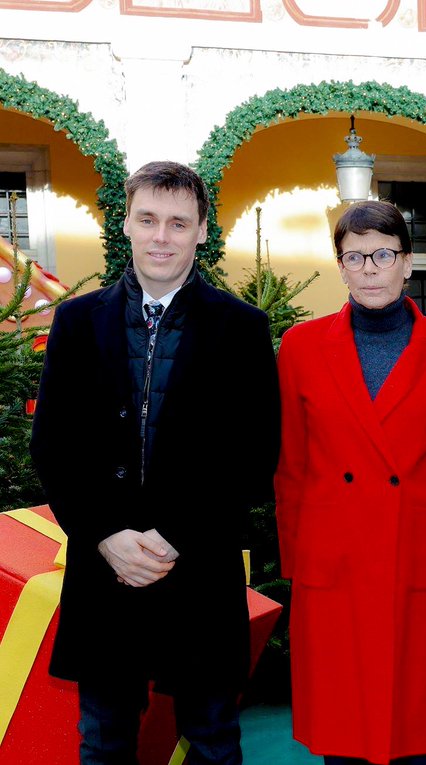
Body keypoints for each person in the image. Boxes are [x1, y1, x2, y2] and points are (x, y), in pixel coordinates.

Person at [30, 161, 280, 765]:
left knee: (215, 740)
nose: (161, 235)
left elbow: (254, 453)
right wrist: (106, 536)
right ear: (128, 224)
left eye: (177, 222)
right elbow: (54, 446)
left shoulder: (241, 328)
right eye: (148, 219)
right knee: (105, 740)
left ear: (200, 232)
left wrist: (173, 539)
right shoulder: (77, 320)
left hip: (197, 570)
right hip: (105, 570)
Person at [275, 200, 426, 765]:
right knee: (342, 734)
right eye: (355, 256)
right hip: (332, 564)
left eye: (383, 254)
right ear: (340, 265)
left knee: (414, 733)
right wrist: (300, 563)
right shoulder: (300, 347)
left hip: (416, 559)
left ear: (407, 263)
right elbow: (291, 464)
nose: (369, 267)